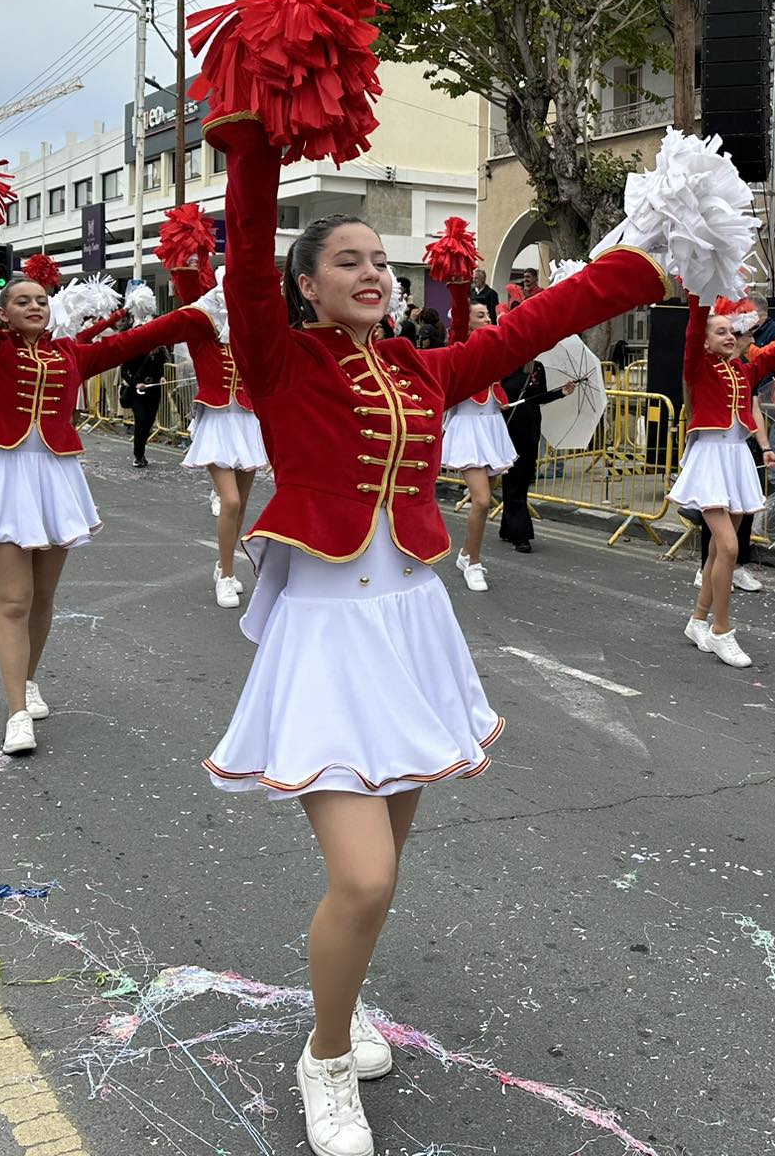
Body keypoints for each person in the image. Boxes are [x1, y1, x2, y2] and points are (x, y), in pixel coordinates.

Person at [199, 111, 671, 1156]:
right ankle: (323, 1059)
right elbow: (242, 269)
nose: (373, 271)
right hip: (324, 638)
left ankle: (340, 1001)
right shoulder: (281, 364)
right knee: (361, 876)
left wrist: (641, 265)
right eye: (349, 261)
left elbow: (529, 327)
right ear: (308, 286)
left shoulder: (419, 371)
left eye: (380, 259)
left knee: (380, 871)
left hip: (409, 629)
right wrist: (257, 147)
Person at [0, 236, 214, 754]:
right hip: (4, 478)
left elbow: (133, 341)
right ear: (3, 312)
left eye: (41, 300)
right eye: (23, 300)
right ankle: (16, 712)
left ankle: (29, 678)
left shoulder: (71, 354)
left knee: (43, 598)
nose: (35, 306)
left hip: (57, 479)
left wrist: (196, 311)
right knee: (13, 600)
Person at [671, 294, 775, 667]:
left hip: (738, 458)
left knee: (717, 551)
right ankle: (721, 631)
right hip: (711, 458)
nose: (729, 336)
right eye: (720, 332)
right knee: (728, 548)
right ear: (706, 340)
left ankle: (698, 620)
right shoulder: (697, 366)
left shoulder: (745, 369)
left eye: (733, 331)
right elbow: (695, 327)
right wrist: (699, 288)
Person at [168, 263, 269, 608]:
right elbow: (189, 302)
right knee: (231, 501)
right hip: (217, 423)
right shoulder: (203, 336)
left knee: (240, 506)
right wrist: (186, 264)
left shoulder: (250, 337)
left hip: (247, 422)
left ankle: (221, 564)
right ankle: (226, 576)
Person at [442, 300, 520, 592]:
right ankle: (473, 564)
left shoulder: (494, 347)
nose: (488, 318)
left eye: (488, 314)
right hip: (468, 429)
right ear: (468, 321)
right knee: (482, 500)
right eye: (481, 315)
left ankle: (465, 554)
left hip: (491, 427)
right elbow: (459, 324)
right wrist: (459, 283)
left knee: (488, 497)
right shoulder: (459, 346)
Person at [498, 356, 570, 553]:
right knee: (514, 480)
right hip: (507, 429)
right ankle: (521, 536)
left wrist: (561, 393)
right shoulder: (504, 363)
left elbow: (538, 397)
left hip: (530, 431)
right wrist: (499, 402)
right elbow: (493, 394)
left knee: (521, 481)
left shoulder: (537, 367)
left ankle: (507, 527)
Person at [118, 328, 170, 469]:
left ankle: (142, 450)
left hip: (154, 390)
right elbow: (123, 371)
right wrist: (136, 384)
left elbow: (160, 369)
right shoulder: (136, 352)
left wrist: (161, 377)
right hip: (137, 392)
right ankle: (138, 455)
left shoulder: (160, 353)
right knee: (141, 420)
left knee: (148, 422)